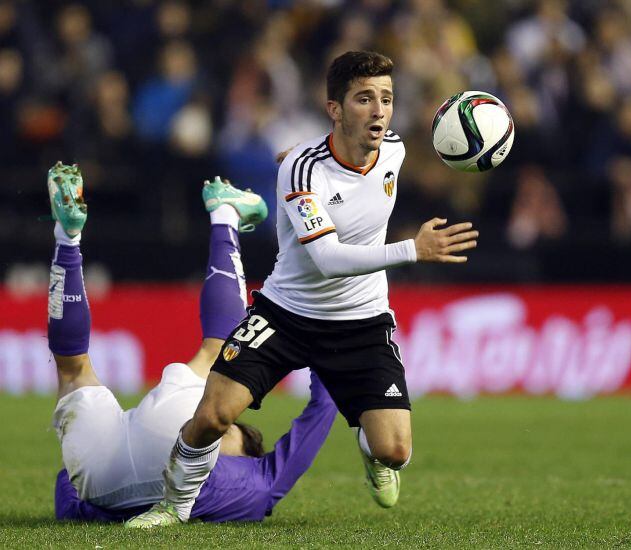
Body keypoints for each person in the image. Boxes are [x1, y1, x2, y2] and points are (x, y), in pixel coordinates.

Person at [127, 50, 479, 528]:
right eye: (363, 99)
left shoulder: (393, 149)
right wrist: (413, 250)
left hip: (361, 321)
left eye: (386, 99)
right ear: (335, 108)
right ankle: (175, 504)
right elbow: (329, 259)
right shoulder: (303, 169)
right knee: (212, 415)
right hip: (286, 315)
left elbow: (403, 147)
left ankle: (369, 447)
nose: (378, 111)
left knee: (395, 450)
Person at [46, 162, 338, 522]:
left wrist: (332, 360)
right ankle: (66, 238)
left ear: (243, 454)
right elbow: (67, 492)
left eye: (235, 429)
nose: (230, 422)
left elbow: (321, 412)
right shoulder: (252, 493)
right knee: (72, 372)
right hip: (104, 475)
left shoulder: (251, 481)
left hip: (169, 442)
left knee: (218, 350)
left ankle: (224, 215)